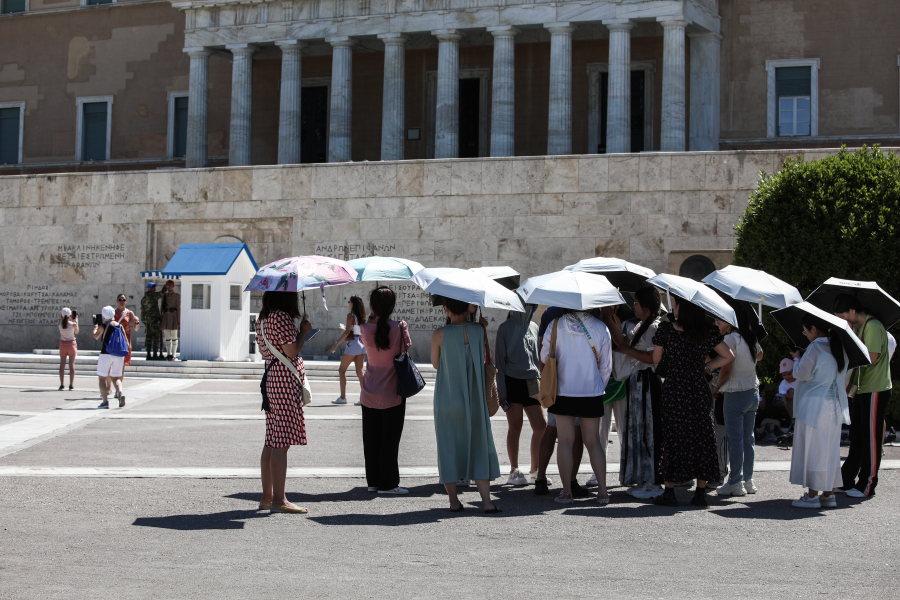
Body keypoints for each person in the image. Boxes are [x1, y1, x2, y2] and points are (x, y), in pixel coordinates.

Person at [650, 296, 735, 508]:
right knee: (703, 436)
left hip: (675, 387)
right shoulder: (707, 331)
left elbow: (656, 359)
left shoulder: (667, 330)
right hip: (698, 387)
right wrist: (706, 367)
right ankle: (700, 492)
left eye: (675, 305)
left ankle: (669, 491)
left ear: (681, 308)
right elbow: (728, 355)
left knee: (674, 435)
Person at [431, 297, 501, 513]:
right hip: (474, 397)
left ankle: (453, 502)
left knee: (448, 447)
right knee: (479, 445)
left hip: (447, 397)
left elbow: (435, 363)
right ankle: (487, 502)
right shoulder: (478, 330)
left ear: (446, 308)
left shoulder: (439, 334)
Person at [540, 308, 613, 506]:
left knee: (564, 441)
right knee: (593, 442)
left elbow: (545, 356)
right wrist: (598, 386)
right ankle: (603, 492)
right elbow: (606, 366)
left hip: (564, 390)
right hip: (592, 391)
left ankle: (567, 492)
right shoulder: (601, 327)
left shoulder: (555, 325)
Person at [255, 290, 312, 514]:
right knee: (281, 442)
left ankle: (267, 496)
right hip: (284, 381)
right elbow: (291, 350)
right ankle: (280, 499)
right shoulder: (282, 317)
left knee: (271, 439)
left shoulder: (262, 318)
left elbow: (264, 349)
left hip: (271, 377)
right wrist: (304, 333)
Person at [605, 287, 665, 499]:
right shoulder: (641, 325)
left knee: (649, 429)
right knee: (638, 429)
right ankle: (644, 478)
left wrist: (628, 351)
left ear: (646, 307)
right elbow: (623, 342)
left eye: (637, 303)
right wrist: (611, 318)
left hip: (648, 382)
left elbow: (652, 358)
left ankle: (653, 481)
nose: (634, 306)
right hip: (637, 382)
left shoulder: (656, 327)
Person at [834, 294, 893, 498]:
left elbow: (872, 357)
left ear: (852, 311)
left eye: (841, 315)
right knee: (857, 436)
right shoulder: (859, 327)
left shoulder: (873, 326)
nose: (842, 319)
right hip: (862, 388)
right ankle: (847, 479)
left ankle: (868, 485)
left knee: (871, 439)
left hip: (875, 388)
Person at [789, 314, 850, 509]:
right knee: (830, 449)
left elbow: (801, 373)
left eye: (805, 331)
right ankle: (828, 494)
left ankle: (812, 496)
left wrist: (796, 359)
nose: (805, 334)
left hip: (815, 405)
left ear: (814, 329)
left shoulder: (815, 347)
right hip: (836, 404)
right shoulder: (839, 346)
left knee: (814, 448)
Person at [359, 287, 410, 495]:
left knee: (371, 439)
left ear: (372, 306)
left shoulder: (364, 328)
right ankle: (388, 484)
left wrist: (372, 315)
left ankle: (373, 482)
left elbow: (367, 337)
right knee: (390, 439)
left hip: (369, 390)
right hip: (392, 392)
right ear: (392, 307)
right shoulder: (400, 327)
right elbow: (407, 349)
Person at [713, 310, 763, 497]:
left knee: (735, 440)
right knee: (748, 439)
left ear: (732, 321)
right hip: (752, 391)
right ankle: (747, 480)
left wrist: (716, 387)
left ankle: (735, 482)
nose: (717, 321)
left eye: (721, 318)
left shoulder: (730, 339)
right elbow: (760, 355)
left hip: (735, 392)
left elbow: (726, 369)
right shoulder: (749, 338)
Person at [495, 303, 546, 486]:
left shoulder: (534, 326)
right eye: (526, 304)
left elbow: (537, 356)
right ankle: (514, 470)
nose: (529, 307)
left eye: (532, 305)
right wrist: (501, 391)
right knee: (515, 426)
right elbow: (499, 362)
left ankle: (536, 471)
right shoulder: (504, 328)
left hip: (533, 380)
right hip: (512, 380)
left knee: (541, 426)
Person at [331, 295, 367, 405]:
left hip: (353, 344)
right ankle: (364, 398)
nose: (348, 303)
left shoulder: (350, 315)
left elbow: (347, 332)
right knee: (360, 372)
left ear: (353, 303)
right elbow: (356, 330)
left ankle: (343, 397)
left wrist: (336, 344)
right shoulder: (362, 316)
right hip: (362, 343)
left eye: (349, 301)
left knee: (342, 371)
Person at [93, 306, 125, 408]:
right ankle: (120, 393)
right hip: (119, 354)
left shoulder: (103, 326)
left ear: (103, 316)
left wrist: (95, 328)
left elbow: (96, 336)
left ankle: (105, 402)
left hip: (106, 353)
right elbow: (126, 342)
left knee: (102, 379)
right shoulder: (120, 326)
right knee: (115, 377)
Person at [112, 293, 139, 399]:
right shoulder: (113, 313)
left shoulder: (129, 313)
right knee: (112, 365)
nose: (122, 301)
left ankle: (118, 390)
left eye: (123, 299)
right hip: (115, 341)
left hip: (125, 341)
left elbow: (136, 329)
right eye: (120, 299)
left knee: (122, 367)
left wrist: (136, 322)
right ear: (117, 301)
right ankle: (110, 387)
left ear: (126, 301)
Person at [140, 282, 166, 360]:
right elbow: (162, 293)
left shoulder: (144, 298)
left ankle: (148, 354)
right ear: (151, 288)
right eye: (154, 288)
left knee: (148, 338)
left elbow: (143, 311)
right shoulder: (153, 296)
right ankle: (155, 354)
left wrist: (145, 321)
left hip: (147, 321)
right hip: (154, 321)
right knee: (155, 338)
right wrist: (165, 286)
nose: (155, 289)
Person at [58, 307, 79, 391]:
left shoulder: (59, 324)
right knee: (71, 365)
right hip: (71, 344)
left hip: (62, 343)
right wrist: (76, 321)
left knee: (62, 365)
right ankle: (71, 384)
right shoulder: (72, 324)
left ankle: (62, 384)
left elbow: (64, 323)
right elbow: (77, 332)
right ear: (70, 315)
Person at [160, 280, 181, 361]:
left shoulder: (176, 296)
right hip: (166, 316)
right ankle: (168, 354)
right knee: (167, 337)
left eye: (169, 285)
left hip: (173, 317)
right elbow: (162, 307)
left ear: (173, 286)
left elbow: (178, 308)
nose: (167, 287)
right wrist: (161, 318)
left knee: (174, 336)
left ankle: (174, 354)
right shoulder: (164, 296)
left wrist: (178, 320)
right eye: (166, 285)